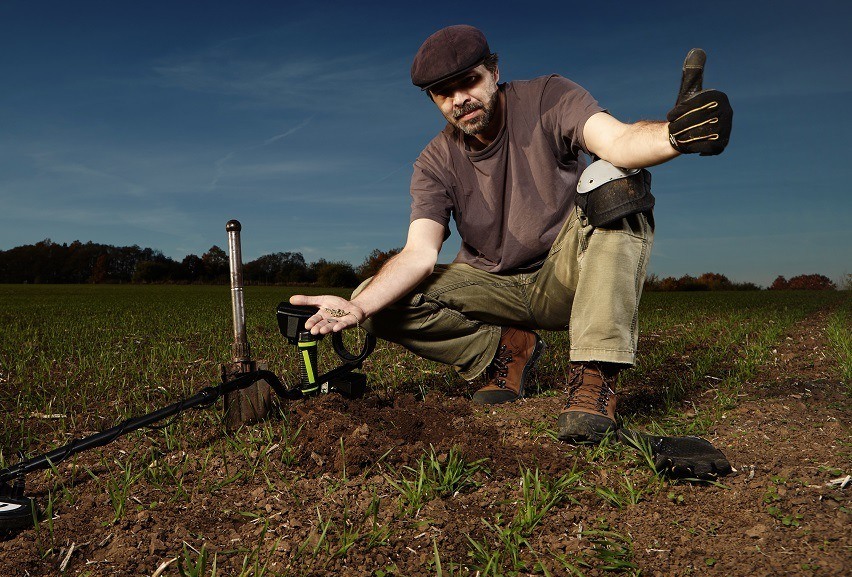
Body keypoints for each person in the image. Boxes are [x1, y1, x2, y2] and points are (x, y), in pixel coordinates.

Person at [291, 24, 732, 444]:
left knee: (617, 182)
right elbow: (418, 254)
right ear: (432, 98)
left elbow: (616, 142)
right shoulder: (433, 163)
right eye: (444, 93)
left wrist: (673, 135)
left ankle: (594, 376)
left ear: (495, 72)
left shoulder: (548, 97)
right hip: (495, 291)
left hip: (569, 275)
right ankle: (502, 349)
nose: (460, 99)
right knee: (378, 294)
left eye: (470, 81)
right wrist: (358, 305)